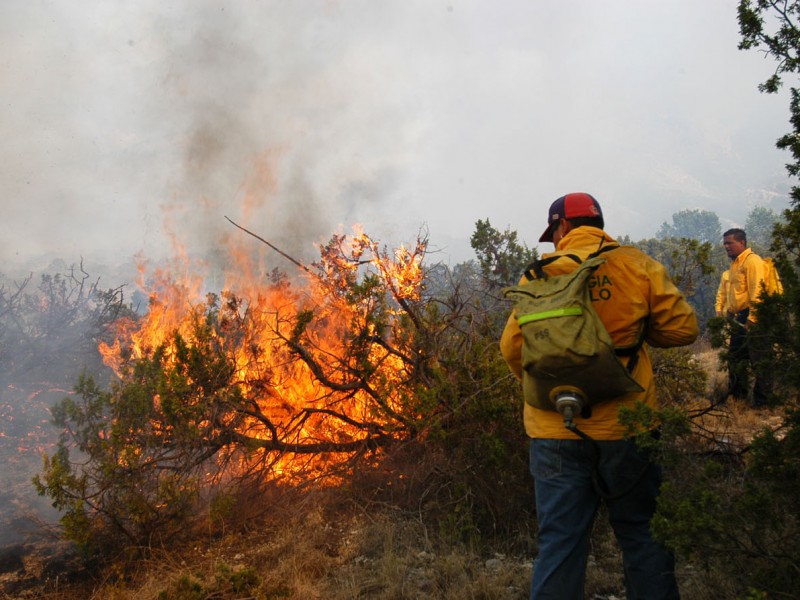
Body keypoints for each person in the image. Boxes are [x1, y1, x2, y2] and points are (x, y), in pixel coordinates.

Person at [500, 192, 698, 600]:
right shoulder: (636, 264)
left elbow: (512, 348)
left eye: (553, 232)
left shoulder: (539, 274)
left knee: (560, 541)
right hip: (630, 426)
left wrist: (547, 386)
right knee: (643, 533)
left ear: (563, 227)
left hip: (555, 429)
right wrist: (637, 336)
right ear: (599, 225)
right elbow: (683, 330)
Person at [722, 228, 773, 407]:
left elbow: (757, 290)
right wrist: (730, 310)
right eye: (725, 243)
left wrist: (753, 319)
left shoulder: (753, 261)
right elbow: (737, 292)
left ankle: (763, 404)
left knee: (760, 360)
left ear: (742, 243)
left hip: (754, 317)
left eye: (730, 243)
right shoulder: (736, 263)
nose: (726, 246)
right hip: (740, 317)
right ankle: (738, 400)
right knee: (736, 359)